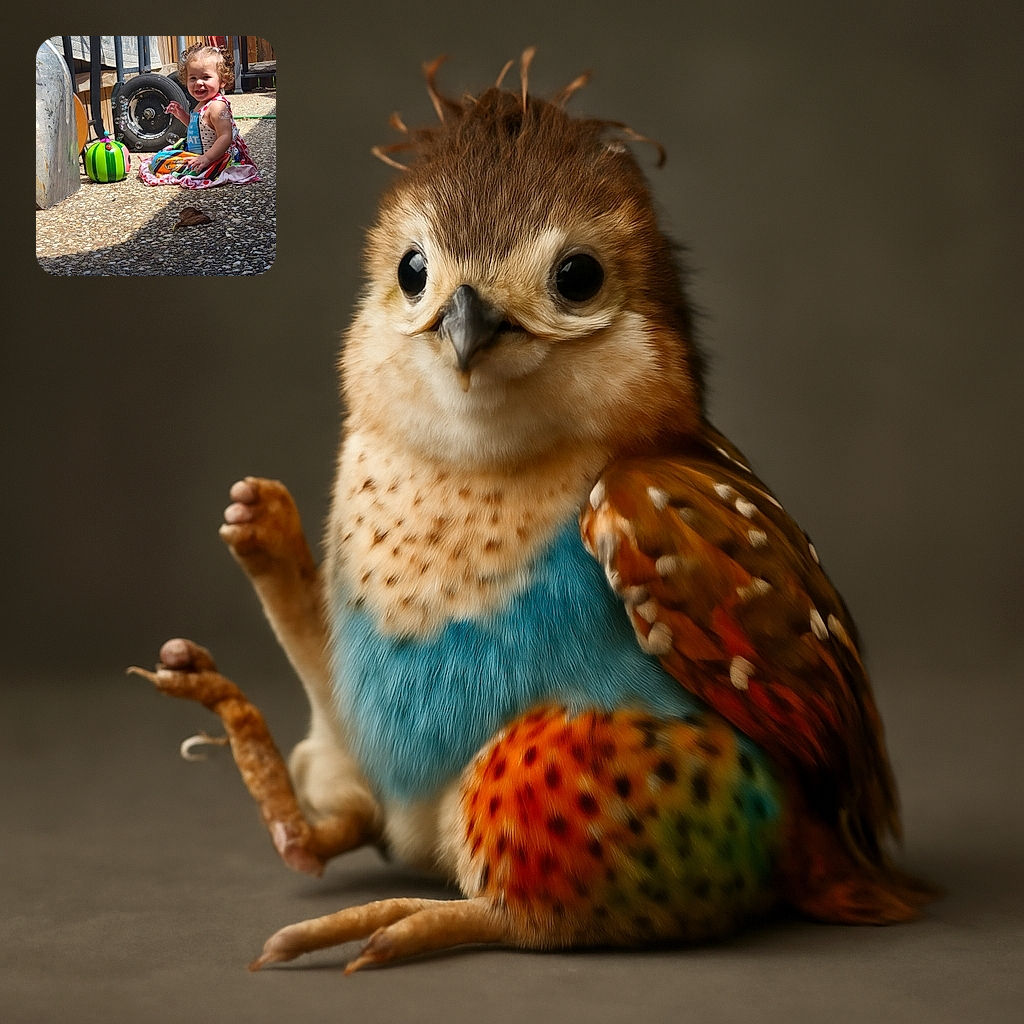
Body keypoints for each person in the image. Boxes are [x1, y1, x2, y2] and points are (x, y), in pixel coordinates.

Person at [139, 43, 259, 189]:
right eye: (193, 78)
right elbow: (198, 127)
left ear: (222, 81)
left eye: (206, 77)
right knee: (163, 158)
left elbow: (225, 137)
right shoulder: (202, 104)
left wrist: (207, 158)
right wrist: (181, 114)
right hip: (198, 155)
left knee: (164, 163)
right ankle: (157, 162)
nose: (198, 83)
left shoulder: (217, 106)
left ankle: (159, 163)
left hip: (216, 158)